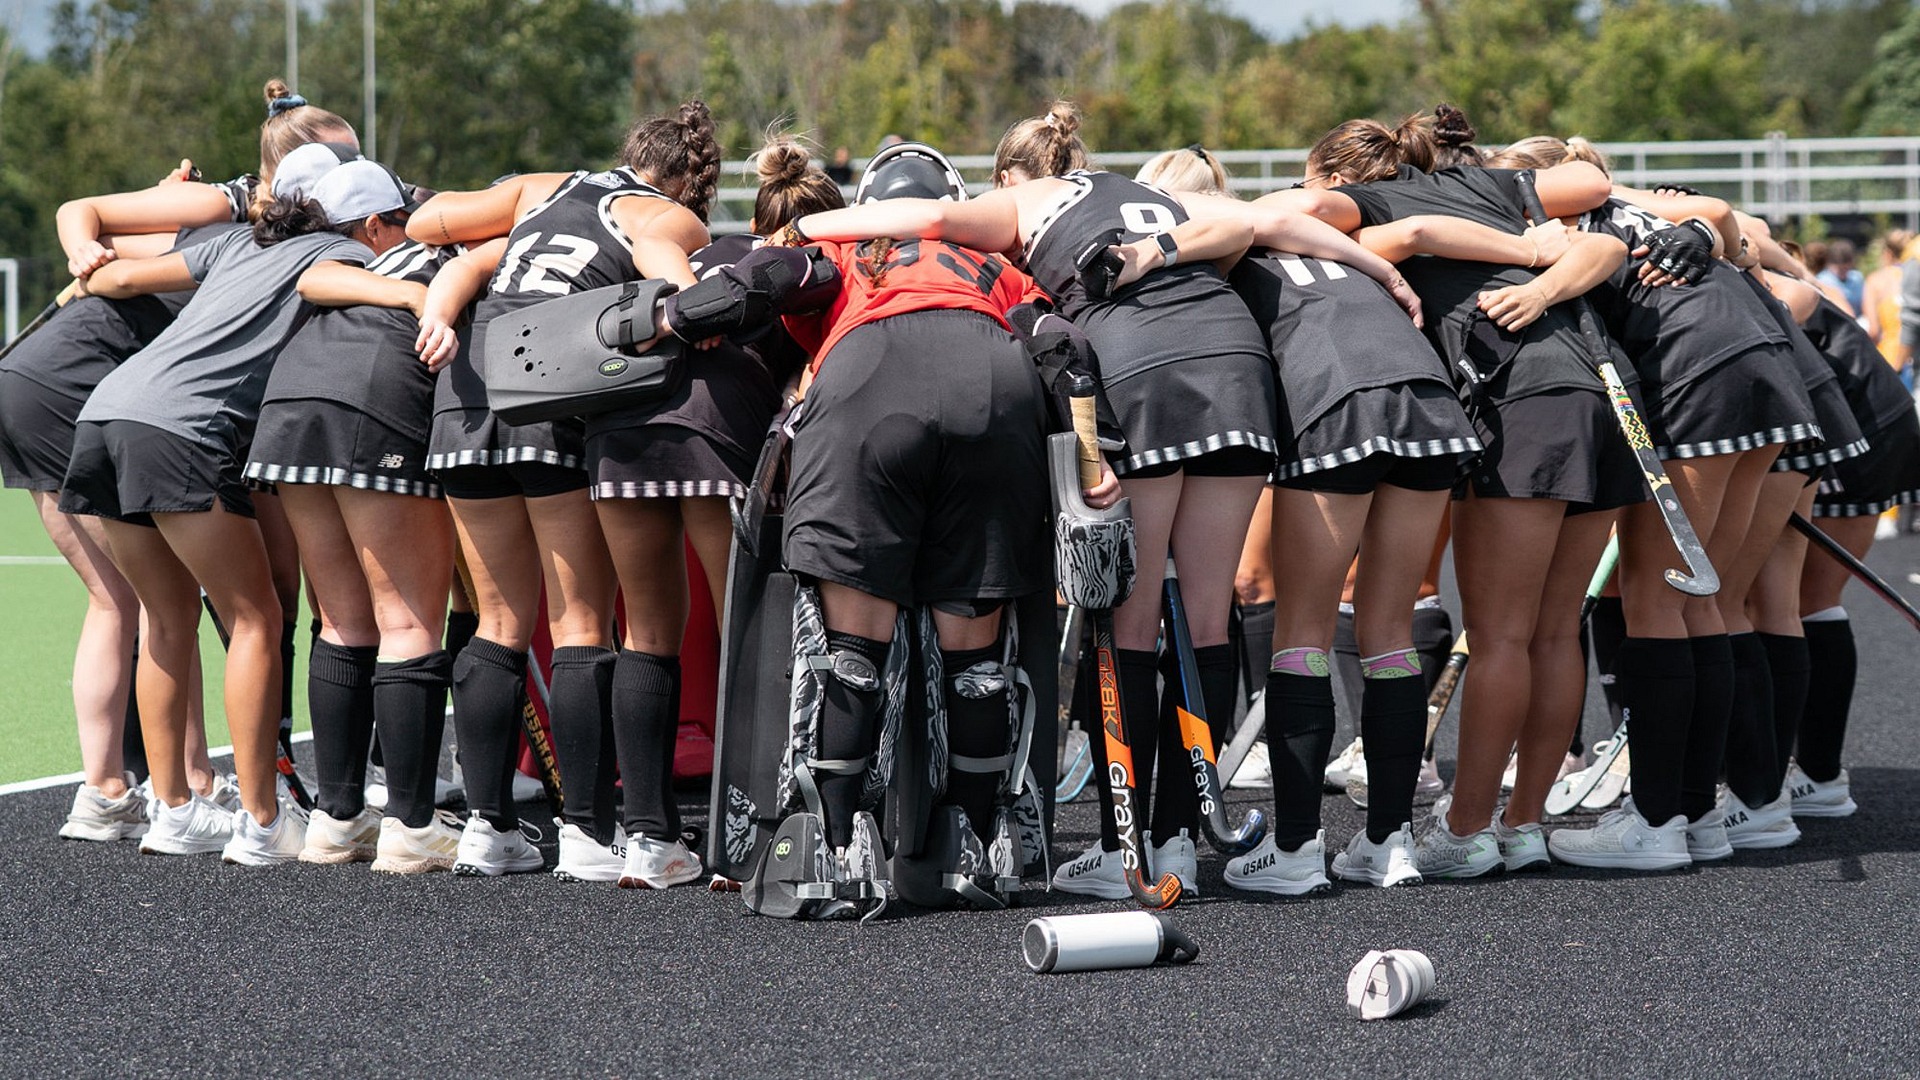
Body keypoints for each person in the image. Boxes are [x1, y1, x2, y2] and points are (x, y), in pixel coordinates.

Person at [782, 101, 1424, 898]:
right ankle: (1179, 842)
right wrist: (1382, 269)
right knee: (1208, 619)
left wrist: (812, 227)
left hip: (1142, 376)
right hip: (1237, 372)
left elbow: (937, 216)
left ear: (1012, 179)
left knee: (1131, 620)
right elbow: (1268, 221)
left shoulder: (1024, 203)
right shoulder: (1140, 186)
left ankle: (1127, 854)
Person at [1135, 140, 1600, 892]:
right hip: (1431, 404)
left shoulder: (1216, 254)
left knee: (1303, 636)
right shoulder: (1335, 238)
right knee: (1388, 632)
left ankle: (1292, 853)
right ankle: (1390, 843)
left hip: (1338, 406)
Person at [1274, 110, 1639, 878]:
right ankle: (1525, 821)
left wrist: (1350, 226)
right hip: (1610, 394)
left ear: (1337, 176)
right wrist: (1537, 254)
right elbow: (1594, 185)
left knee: (1504, 634)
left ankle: (1470, 826)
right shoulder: (1494, 184)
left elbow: (1303, 214)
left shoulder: (1363, 200)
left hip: (1523, 397)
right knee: (1554, 631)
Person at [58, 146, 401, 866]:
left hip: (105, 417)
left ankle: (174, 812)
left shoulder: (234, 244)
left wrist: (84, 274)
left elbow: (117, 274)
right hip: (182, 431)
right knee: (256, 617)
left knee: (168, 615)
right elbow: (391, 295)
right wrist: (433, 300)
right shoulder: (337, 256)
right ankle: (262, 822)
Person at [409, 100, 720, 885]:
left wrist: (442, 318)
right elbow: (667, 267)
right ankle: (585, 831)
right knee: (581, 618)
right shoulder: (665, 212)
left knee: (498, 618)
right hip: (549, 385)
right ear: (689, 178)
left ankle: (488, 827)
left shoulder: (540, 189)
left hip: (465, 388)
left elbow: (435, 234)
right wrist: (693, 301)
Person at [239, 161, 475, 872]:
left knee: (341, 620)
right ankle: (409, 826)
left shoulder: (326, 257)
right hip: (372, 396)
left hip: (289, 404)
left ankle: (337, 821)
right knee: (407, 622)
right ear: (380, 225)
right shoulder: (439, 258)